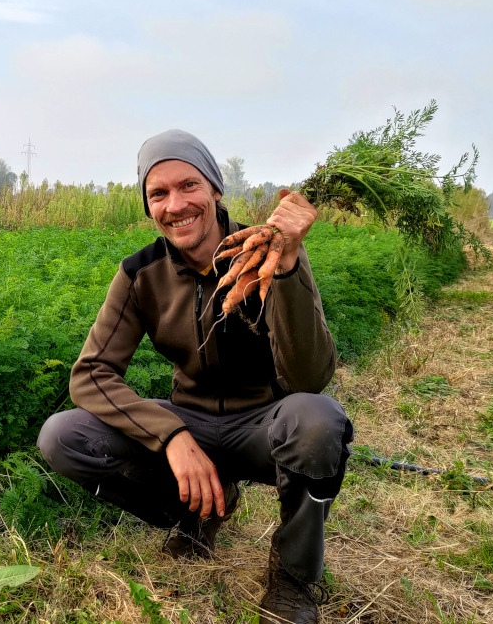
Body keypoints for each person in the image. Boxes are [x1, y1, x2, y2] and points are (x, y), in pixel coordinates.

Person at [37, 129, 352, 624]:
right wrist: (172, 436)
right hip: (190, 421)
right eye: (158, 193)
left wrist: (288, 265)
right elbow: (91, 374)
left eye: (189, 186)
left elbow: (309, 378)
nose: (175, 204)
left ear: (216, 190)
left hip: (264, 428)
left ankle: (292, 582)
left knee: (318, 418)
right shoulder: (141, 274)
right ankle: (198, 516)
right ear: (147, 207)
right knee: (64, 434)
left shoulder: (271, 251)